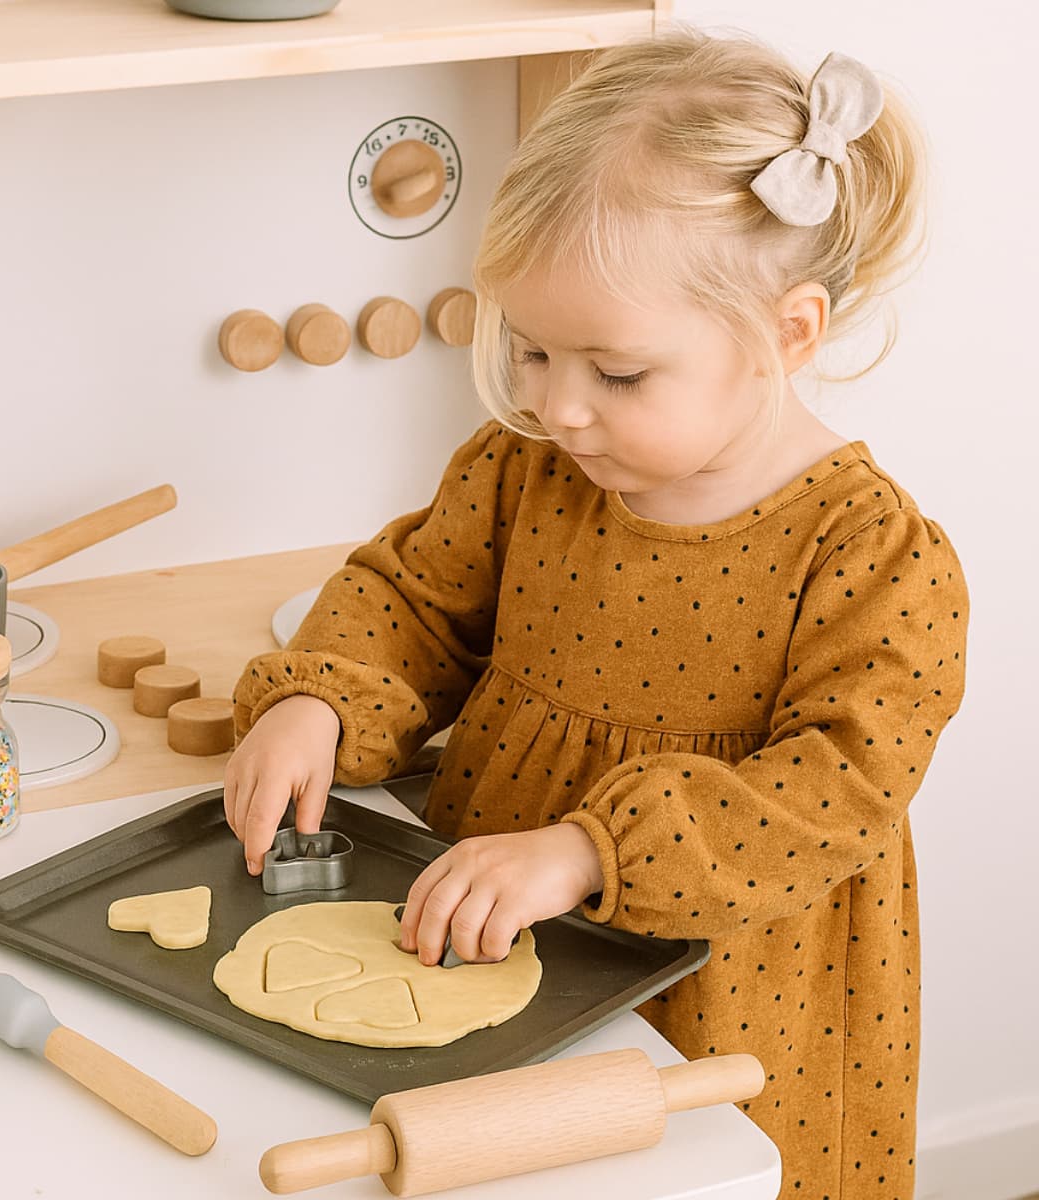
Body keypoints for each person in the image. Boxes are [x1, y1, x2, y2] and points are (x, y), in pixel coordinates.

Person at [225, 23, 969, 1199]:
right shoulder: (530, 466)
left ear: (788, 333)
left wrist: (591, 849)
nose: (560, 406)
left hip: (734, 987)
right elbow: (413, 600)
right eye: (528, 352)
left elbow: (839, 791)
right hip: (495, 940)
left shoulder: (872, 553)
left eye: (615, 373)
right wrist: (319, 697)